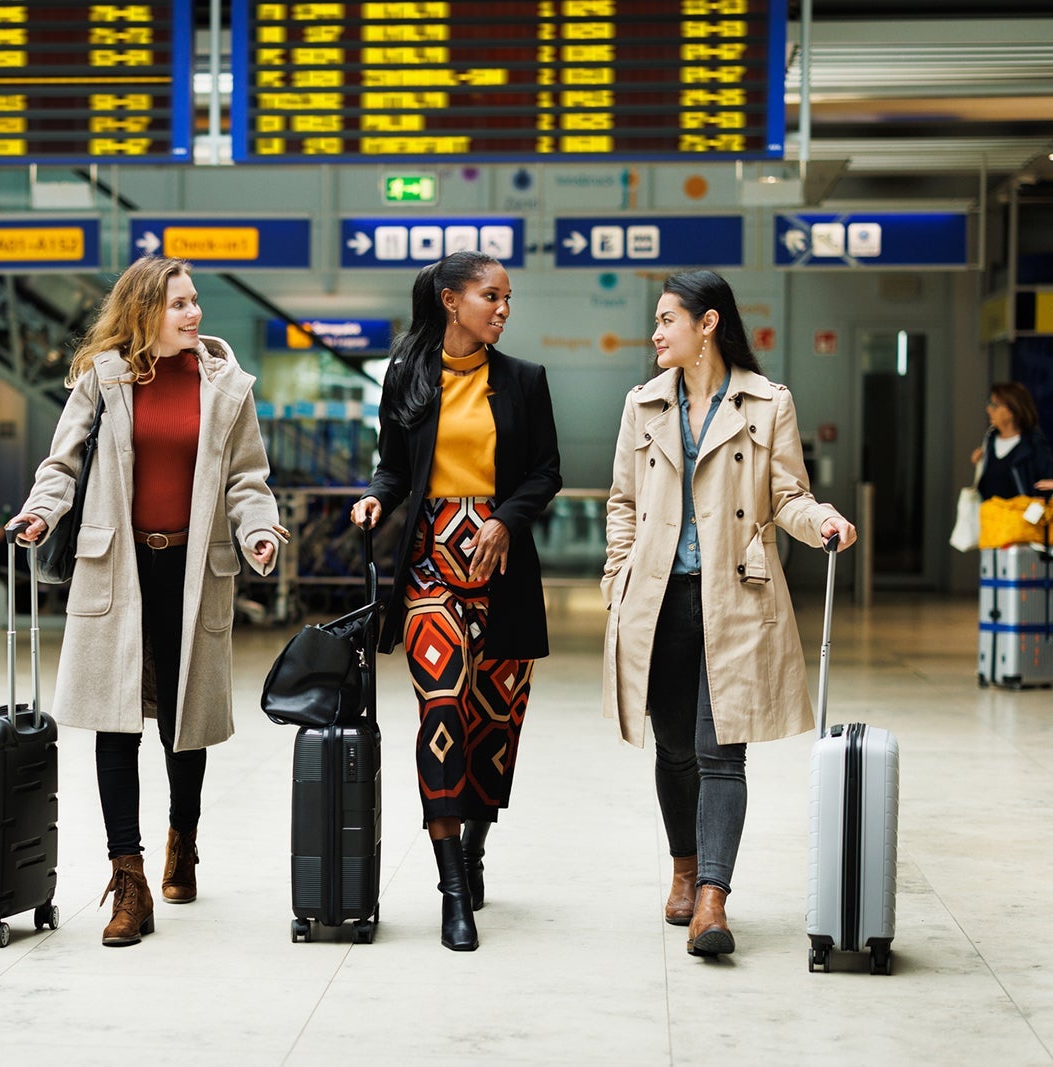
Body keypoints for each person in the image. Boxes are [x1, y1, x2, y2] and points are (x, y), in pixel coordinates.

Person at [8, 256, 284, 947]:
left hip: (193, 570)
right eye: (179, 304)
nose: (193, 314)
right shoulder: (102, 379)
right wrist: (40, 514)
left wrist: (257, 532)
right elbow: (62, 464)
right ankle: (127, 877)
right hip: (117, 567)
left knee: (183, 721)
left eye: (195, 301)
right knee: (114, 720)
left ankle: (181, 837)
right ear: (144, 313)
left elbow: (250, 479)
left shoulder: (226, 386)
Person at [602, 270, 857, 959]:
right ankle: (683, 866)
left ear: (706, 324)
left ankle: (712, 898)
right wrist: (614, 582)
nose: (655, 334)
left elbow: (787, 496)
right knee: (676, 750)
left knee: (722, 752)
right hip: (658, 601)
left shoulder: (768, 403)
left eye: (666, 320)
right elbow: (623, 502)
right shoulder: (643, 405)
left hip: (734, 597)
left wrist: (823, 517)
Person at [350, 250, 562, 952]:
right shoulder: (408, 375)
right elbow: (392, 465)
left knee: (493, 724)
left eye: (508, 299)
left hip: (502, 569)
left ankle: (473, 845)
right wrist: (375, 498)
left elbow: (546, 471)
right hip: (431, 567)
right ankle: (449, 888)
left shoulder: (524, 381)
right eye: (490, 296)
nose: (503, 309)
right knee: (441, 710)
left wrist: (504, 518)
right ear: (450, 300)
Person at [970, 382, 1053, 501]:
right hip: (989, 517)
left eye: (995, 405)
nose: (989, 409)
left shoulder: (1034, 445)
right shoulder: (989, 441)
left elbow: (1051, 485)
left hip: (1021, 517)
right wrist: (980, 464)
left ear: (1012, 410)